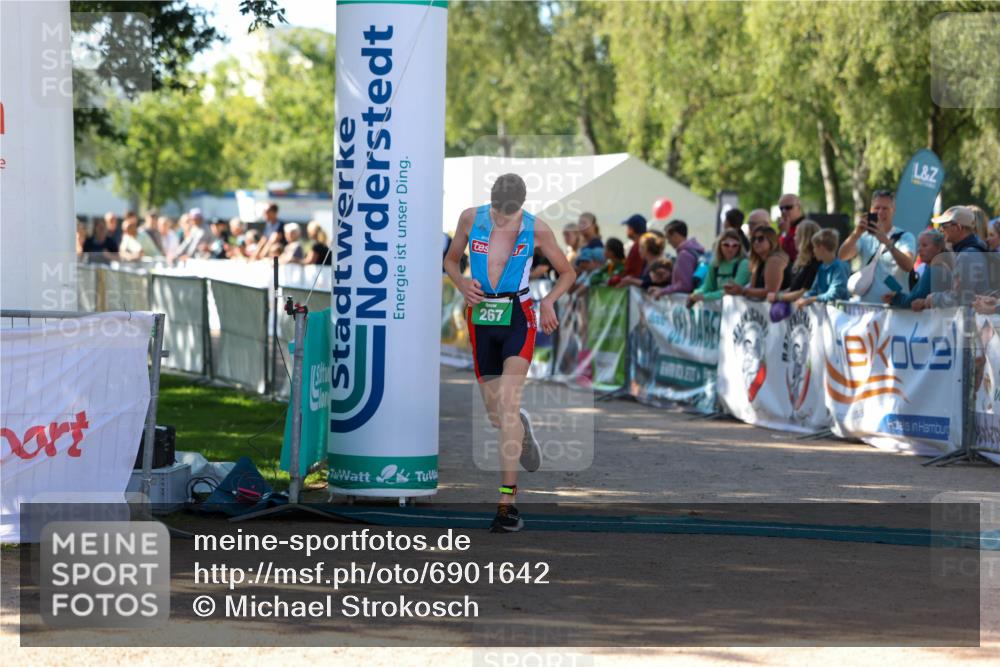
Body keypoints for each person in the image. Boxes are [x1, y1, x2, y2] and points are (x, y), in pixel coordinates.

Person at [443, 173, 575, 533]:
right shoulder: (470, 218)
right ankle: (521, 429)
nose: (502, 220)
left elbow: (567, 272)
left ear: (521, 205)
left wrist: (548, 301)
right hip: (481, 317)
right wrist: (462, 283)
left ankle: (507, 504)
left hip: (519, 315)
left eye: (509, 214)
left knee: (507, 405)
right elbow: (451, 260)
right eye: (497, 213)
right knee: (496, 416)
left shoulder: (537, 228)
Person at [838, 189, 916, 304]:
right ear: (871, 210)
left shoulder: (905, 237)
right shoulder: (864, 236)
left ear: (893, 210)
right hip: (867, 306)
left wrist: (887, 243)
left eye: (885, 208)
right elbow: (842, 256)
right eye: (877, 208)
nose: (880, 212)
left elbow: (908, 266)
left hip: (894, 307)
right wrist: (855, 234)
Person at [919, 206, 990, 310]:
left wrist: (931, 299)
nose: (941, 230)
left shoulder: (967, 255)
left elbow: (960, 298)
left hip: (974, 318)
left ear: (958, 227)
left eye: (944, 226)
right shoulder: (972, 251)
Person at [883, 230, 951, 309]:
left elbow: (915, 300)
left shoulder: (935, 270)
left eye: (924, 245)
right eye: (919, 245)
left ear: (938, 248)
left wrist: (896, 298)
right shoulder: (936, 269)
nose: (919, 249)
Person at [725, 226, 791, 300]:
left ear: (771, 240)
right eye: (753, 239)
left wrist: (742, 291)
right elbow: (752, 288)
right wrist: (736, 290)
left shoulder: (775, 260)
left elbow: (771, 292)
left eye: (760, 239)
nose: (756, 242)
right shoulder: (759, 261)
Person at [687, 229, 750, 306]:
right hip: (717, 308)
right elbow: (708, 287)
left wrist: (704, 297)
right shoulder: (715, 264)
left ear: (739, 247)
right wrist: (694, 294)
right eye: (726, 245)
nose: (730, 249)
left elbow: (732, 291)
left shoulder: (744, 264)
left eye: (735, 245)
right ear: (720, 246)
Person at [794, 229, 850, 307]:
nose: (813, 251)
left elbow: (834, 295)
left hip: (839, 312)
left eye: (814, 247)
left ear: (821, 248)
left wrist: (810, 300)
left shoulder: (840, 267)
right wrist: (803, 298)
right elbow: (814, 291)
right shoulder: (821, 267)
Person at [770, 220, 821, 304]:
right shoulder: (803, 261)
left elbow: (804, 292)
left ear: (804, 239)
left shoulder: (815, 263)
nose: (794, 238)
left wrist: (778, 296)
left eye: (796, 235)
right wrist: (778, 294)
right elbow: (793, 288)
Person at [656, 219, 705, 296]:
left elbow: (685, 286)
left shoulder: (684, 255)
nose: (668, 242)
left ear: (675, 235)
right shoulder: (694, 250)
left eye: (668, 238)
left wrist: (663, 291)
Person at [616, 214, 647, 284]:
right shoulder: (643, 243)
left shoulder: (638, 246)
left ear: (631, 229)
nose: (626, 230)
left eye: (628, 228)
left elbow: (632, 271)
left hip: (634, 284)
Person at [777, 194, 805, 263]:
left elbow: (795, 254)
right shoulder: (784, 227)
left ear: (798, 208)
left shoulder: (806, 227)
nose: (783, 211)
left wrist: (786, 233)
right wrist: (782, 233)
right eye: (781, 208)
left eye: (788, 207)